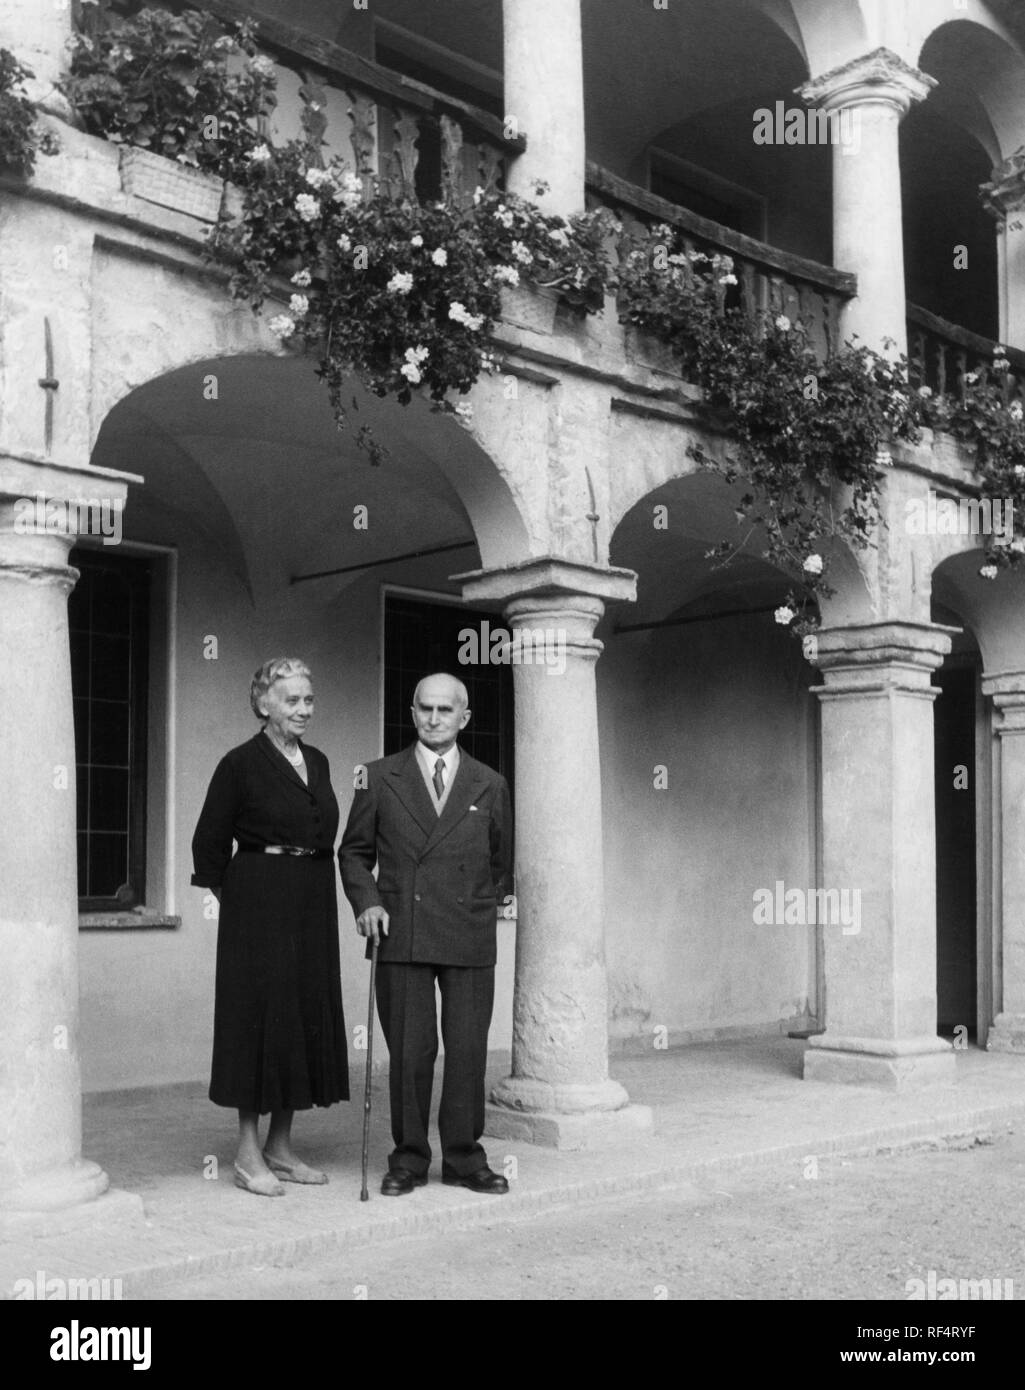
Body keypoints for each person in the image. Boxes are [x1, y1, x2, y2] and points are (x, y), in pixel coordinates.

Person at [339, 673, 513, 1195]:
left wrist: (479, 905)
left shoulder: (490, 782)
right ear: (411, 712)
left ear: (464, 718)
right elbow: (352, 852)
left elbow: (502, 861)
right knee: (411, 1053)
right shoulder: (377, 776)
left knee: (466, 1051)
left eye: (445, 710)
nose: (434, 719)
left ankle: (464, 1158)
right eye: (424, 709)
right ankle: (409, 1159)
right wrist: (368, 903)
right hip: (402, 932)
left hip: (467, 933)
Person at [191, 658, 349, 1197]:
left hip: (311, 899)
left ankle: (281, 1146)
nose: (304, 709)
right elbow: (208, 847)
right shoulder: (239, 763)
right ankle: (246, 1151)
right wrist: (241, 904)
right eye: (292, 700)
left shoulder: (320, 762)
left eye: (309, 699)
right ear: (264, 703)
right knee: (257, 1019)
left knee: (301, 1013)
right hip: (257, 904)